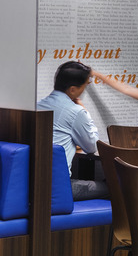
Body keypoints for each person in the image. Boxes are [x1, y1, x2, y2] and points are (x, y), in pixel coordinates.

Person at [37, 61, 118, 199]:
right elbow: (92, 146)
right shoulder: (75, 111)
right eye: (85, 86)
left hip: (35, 184)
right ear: (73, 89)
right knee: (117, 186)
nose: (84, 90)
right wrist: (83, 109)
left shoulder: (38, 105)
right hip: (58, 188)